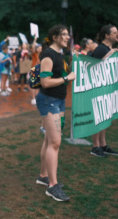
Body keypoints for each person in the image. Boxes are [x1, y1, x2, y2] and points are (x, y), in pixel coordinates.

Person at [35, 25, 75, 202]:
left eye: (68, 35)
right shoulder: (48, 55)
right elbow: (45, 82)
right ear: (55, 37)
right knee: (55, 143)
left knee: (49, 140)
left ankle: (43, 176)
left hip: (58, 101)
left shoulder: (59, 54)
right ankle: (52, 186)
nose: (68, 37)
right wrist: (67, 78)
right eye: (64, 35)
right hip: (48, 101)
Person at [89, 24, 118, 157]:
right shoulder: (101, 49)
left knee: (104, 118)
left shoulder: (108, 48)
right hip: (98, 89)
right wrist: (110, 54)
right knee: (98, 117)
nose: (117, 34)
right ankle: (95, 146)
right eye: (114, 33)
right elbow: (93, 68)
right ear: (107, 35)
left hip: (107, 89)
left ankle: (103, 145)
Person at [30, 36, 42, 105]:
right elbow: (33, 47)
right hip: (34, 70)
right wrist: (35, 40)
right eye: (39, 48)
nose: (40, 49)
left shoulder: (42, 55)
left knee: (37, 85)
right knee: (33, 85)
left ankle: (36, 98)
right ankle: (33, 98)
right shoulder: (34, 54)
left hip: (39, 70)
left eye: (41, 48)